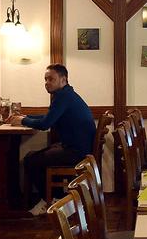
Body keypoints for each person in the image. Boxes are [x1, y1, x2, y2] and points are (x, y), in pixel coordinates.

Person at [10, 64, 95, 210]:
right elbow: (49, 117)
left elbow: (45, 124)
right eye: (45, 79)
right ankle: (55, 197)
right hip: (78, 148)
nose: (47, 82)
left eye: (51, 79)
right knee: (34, 156)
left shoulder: (63, 96)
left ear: (63, 79)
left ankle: (51, 200)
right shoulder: (66, 94)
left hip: (77, 152)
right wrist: (26, 116)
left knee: (31, 160)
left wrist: (23, 120)